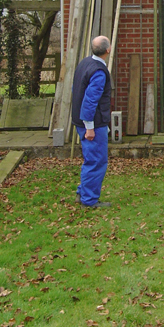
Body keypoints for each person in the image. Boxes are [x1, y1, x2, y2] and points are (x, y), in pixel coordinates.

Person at [72, 35, 112, 208]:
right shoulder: (98, 71)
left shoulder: (84, 63)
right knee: (96, 161)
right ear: (108, 50)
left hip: (81, 121)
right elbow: (90, 100)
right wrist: (90, 127)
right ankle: (89, 201)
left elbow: (77, 91)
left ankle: (82, 193)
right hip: (92, 124)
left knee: (90, 159)